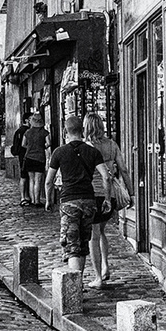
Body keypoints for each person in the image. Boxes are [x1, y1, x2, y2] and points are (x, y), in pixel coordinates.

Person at [47, 115, 106, 278]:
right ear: (83, 131)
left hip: (69, 201)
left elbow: (48, 181)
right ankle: (76, 282)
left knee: (72, 245)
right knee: (83, 244)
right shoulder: (93, 151)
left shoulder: (59, 152)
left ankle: (74, 287)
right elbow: (106, 175)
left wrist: (48, 200)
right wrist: (107, 198)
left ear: (66, 131)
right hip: (89, 201)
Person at [82, 112, 123, 288]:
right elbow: (124, 169)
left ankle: (98, 276)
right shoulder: (112, 144)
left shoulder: (87, 146)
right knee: (102, 232)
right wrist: (131, 192)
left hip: (94, 194)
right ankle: (105, 266)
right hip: (110, 194)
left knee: (93, 235)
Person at [19, 113, 49, 208]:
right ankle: (37, 200)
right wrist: (42, 146)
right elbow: (49, 143)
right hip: (39, 158)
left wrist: (30, 148)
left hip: (29, 158)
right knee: (38, 180)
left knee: (31, 180)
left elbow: (23, 144)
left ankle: (32, 200)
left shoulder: (28, 132)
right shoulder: (44, 132)